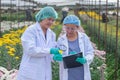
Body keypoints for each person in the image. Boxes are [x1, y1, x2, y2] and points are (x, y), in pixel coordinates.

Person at [17, 6, 62, 80]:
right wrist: (50, 50)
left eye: (53, 20)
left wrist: (54, 57)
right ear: (42, 17)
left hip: (45, 72)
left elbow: (51, 52)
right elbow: (31, 50)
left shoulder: (52, 34)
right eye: (49, 19)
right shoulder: (31, 31)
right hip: (30, 72)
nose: (51, 22)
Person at [57, 15, 94, 80]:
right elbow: (59, 51)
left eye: (72, 28)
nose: (69, 31)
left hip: (81, 73)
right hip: (68, 74)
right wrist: (58, 56)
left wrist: (85, 59)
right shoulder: (61, 40)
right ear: (64, 27)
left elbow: (90, 52)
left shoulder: (84, 38)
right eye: (67, 28)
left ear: (77, 27)